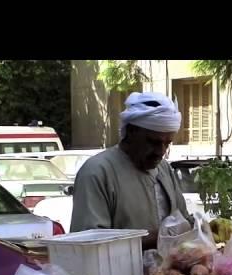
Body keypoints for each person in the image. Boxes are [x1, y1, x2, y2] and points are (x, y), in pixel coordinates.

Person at [70, 92, 191, 250]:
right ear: (132, 132)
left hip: (168, 272)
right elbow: (89, 243)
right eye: (153, 142)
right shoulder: (97, 172)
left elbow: (183, 221)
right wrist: (159, 239)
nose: (160, 151)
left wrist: (200, 227)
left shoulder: (164, 168)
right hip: (118, 273)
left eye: (167, 144)